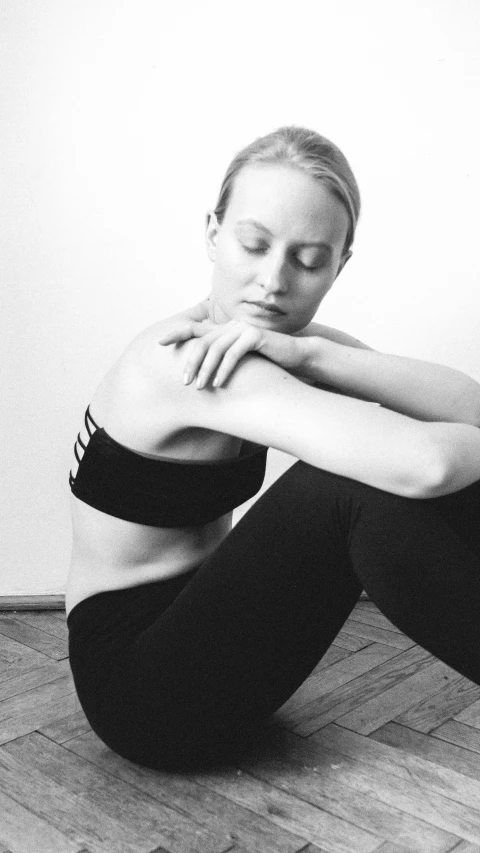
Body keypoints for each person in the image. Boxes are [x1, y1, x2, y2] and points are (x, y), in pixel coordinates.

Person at [67, 125, 480, 771]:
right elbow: (428, 463)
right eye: (253, 244)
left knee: (394, 464)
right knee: (347, 485)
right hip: (142, 691)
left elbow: (468, 408)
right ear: (212, 232)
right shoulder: (189, 358)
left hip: (211, 637)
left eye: (309, 260)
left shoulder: (278, 342)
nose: (272, 280)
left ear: (338, 266)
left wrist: (318, 352)